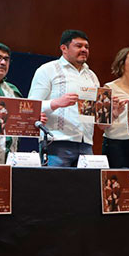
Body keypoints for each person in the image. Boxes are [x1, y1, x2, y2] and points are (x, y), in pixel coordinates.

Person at [28, 30, 100, 167]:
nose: (84, 50)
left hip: (86, 144)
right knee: (55, 181)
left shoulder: (92, 76)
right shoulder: (48, 70)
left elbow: (95, 113)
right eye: (78, 46)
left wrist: (109, 111)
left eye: (86, 47)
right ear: (64, 48)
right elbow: (31, 106)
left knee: (87, 181)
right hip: (56, 142)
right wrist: (56, 103)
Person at [100, 47, 129, 168]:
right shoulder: (108, 87)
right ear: (122, 64)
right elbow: (101, 125)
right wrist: (115, 114)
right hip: (116, 146)